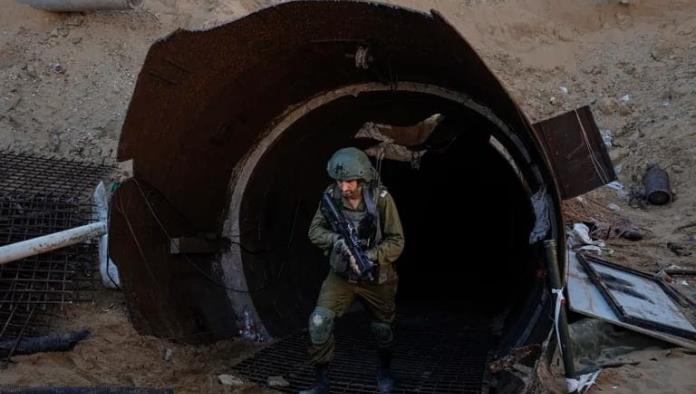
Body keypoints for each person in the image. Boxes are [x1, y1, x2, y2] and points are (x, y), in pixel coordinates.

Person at [300, 147, 405, 394]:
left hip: (376, 277)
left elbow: (397, 241)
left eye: (349, 181)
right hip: (341, 276)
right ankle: (321, 383)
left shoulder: (381, 199)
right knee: (319, 322)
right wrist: (337, 241)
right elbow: (314, 232)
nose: (344, 187)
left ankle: (384, 372)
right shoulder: (331, 196)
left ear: (362, 178)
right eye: (339, 181)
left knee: (383, 329)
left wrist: (368, 256)